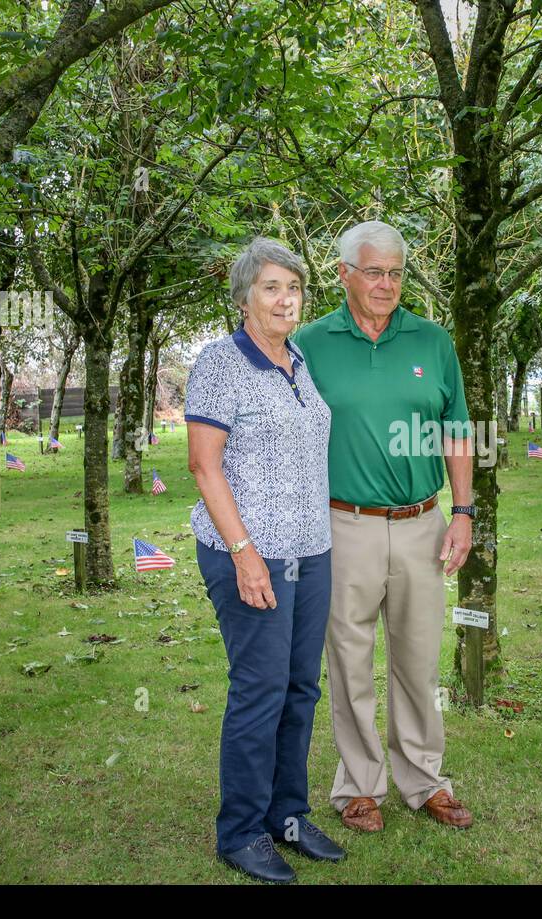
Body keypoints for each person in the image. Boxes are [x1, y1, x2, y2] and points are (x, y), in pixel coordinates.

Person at [293, 220, 476, 833]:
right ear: (342, 273)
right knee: (348, 660)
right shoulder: (310, 343)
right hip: (344, 525)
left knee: (419, 659)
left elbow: (456, 431)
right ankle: (358, 786)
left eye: (396, 272)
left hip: (424, 521)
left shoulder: (432, 341)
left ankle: (425, 781)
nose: (387, 283)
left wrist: (464, 512)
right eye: (374, 271)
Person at [185, 237, 344, 884]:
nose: (286, 299)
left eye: (294, 288)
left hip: (312, 552)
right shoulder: (221, 363)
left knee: (302, 687)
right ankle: (242, 831)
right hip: (251, 553)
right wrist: (246, 554)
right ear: (245, 297)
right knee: (260, 690)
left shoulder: (297, 359)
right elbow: (204, 465)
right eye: (273, 287)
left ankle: (287, 816)